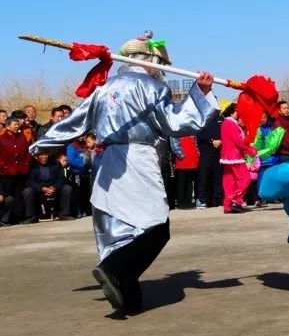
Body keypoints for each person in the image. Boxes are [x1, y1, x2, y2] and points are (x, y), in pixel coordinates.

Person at [30, 32, 220, 312]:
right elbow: (175, 123)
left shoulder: (104, 87)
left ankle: (128, 299)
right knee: (157, 227)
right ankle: (112, 268)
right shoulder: (151, 87)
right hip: (136, 158)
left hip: (107, 162)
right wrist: (200, 93)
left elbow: (75, 122)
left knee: (118, 230)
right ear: (150, 61)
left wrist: (40, 143)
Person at [219, 103, 257, 213]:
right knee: (245, 178)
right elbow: (238, 141)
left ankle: (228, 205)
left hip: (228, 157)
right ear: (233, 111)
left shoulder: (225, 123)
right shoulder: (231, 124)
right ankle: (236, 200)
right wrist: (250, 150)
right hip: (235, 156)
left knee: (229, 182)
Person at [22, 152, 74, 222]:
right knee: (27, 191)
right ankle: (31, 216)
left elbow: (61, 178)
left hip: (53, 187)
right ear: (36, 157)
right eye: (41, 155)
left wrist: (54, 187)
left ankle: (64, 214)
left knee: (67, 188)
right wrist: (42, 188)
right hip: (39, 188)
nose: (44, 157)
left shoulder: (55, 163)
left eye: (45, 155)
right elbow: (30, 181)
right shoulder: (32, 165)